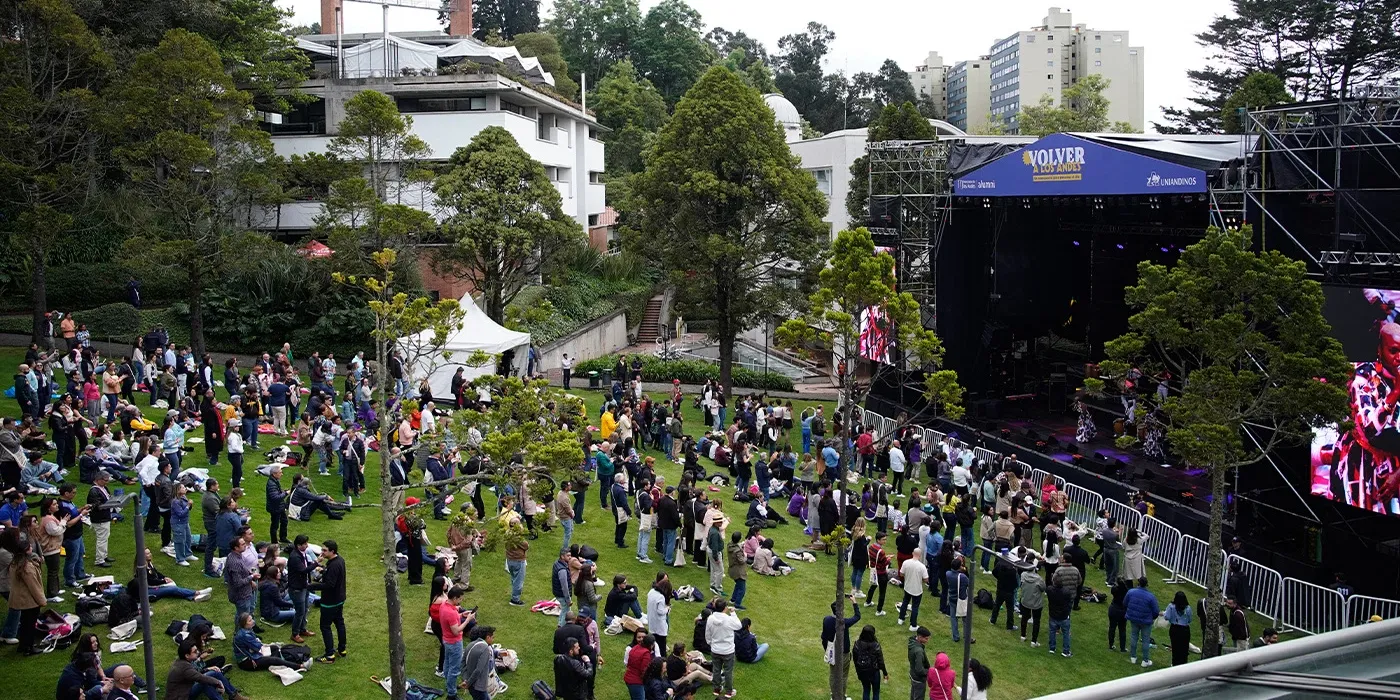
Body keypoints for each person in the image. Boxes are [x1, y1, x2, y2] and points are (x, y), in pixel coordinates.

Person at [310, 539, 347, 663]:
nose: (322, 552)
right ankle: (342, 649)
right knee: (339, 623)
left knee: (325, 626)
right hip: (340, 598)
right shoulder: (339, 560)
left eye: (325, 550)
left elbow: (329, 584)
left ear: (332, 551)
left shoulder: (333, 565)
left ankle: (329, 654)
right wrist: (324, 570)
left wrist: (312, 586)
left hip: (330, 601)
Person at [233, 612, 307, 672]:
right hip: (247, 662)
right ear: (244, 624)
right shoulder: (244, 635)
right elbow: (258, 646)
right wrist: (259, 642)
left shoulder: (246, 630)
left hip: (253, 654)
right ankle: (300, 666)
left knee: (274, 648)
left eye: (252, 619)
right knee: (274, 659)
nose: (253, 621)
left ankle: (275, 663)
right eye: (250, 621)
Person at [822, 596, 862, 700]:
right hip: (843, 653)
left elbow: (823, 637)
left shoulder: (827, 620)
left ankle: (833, 695)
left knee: (833, 674)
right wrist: (854, 603)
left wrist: (826, 649)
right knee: (843, 675)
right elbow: (857, 616)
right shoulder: (844, 622)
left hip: (832, 652)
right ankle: (841, 696)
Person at [706, 599, 742, 699]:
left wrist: (711, 644)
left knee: (716, 670)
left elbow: (707, 634)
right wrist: (733, 613)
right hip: (727, 650)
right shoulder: (729, 619)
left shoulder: (710, 618)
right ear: (725, 608)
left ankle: (716, 689)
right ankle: (729, 691)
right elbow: (739, 626)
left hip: (715, 649)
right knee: (728, 671)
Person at [440, 586, 469, 700]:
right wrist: (467, 620)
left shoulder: (444, 605)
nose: (461, 601)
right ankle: (452, 694)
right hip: (454, 642)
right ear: (455, 598)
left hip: (446, 640)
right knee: (454, 669)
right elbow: (456, 631)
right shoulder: (451, 612)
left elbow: (451, 621)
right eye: (460, 599)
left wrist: (462, 615)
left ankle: (449, 685)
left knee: (447, 664)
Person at [1125, 577, 1160, 667]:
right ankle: (1145, 660)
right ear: (1146, 584)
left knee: (1134, 636)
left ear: (1138, 583)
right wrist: (1151, 617)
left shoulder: (1131, 592)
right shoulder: (1151, 597)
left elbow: (1125, 603)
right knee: (1145, 640)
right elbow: (1156, 611)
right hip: (1146, 621)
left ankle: (1133, 657)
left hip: (1134, 619)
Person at [852, 625, 889, 700]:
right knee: (876, 692)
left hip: (862, 671)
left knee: (866, 690)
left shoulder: (857, 644)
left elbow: (855, 660)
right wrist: (885, 673)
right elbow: (880, 661)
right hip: (874, 672)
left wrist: (858, 671)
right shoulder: (876, 645)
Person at [897, 548, 928, 631]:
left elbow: (901, 573)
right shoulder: (922, 567)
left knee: (905, 602)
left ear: (912, 553)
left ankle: (901, 619)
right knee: (915, 607)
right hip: (917, 590)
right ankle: (913, 625)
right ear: (920, 555)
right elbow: (926, 579)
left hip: (907, 587)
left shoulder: (906, 562)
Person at [1019, 561, 1046, 646]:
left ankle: (1022, 636)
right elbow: (1043, 588)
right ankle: (1033, 641)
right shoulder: (1039, 579)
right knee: (1036, 621)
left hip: (1025, 600)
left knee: (1024, 618)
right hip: (1036, 603)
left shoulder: (1023, 575)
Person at [624, 632, 656, 700]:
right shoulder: (646, 653)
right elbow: (644, 670)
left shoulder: (636, 647)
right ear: (651, 645)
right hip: (636, 681)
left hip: (628, 677)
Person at [1165, 590, 1194, 666]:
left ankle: (1175, 664)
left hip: (1175, 629)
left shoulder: (1171, 606)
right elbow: (1190, 619)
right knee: (1184, 648)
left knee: (1175, 648)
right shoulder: (1188, 608)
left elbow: (1167, 617)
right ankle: (1184, 664)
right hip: (1185, 630)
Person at [1046, 581, 1074, 658]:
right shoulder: (1066, 592)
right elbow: (1069, 602)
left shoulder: (1050, 590)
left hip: (1053, 615)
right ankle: (1066, 651)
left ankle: (1052, 648)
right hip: (1064, 616)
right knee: (1066, 633)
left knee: (1052, 632)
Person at [646, 573, 672, 649]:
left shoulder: (651, 591)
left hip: (651, 619)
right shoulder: (661, 597)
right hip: (659, 624)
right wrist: (667, 609)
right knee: (661, 645)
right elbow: (660, 611)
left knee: (654, 640)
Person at [907, 626, 931, 700]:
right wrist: (929, 671)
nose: (927, 640)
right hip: (919, 679)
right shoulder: (919, 651)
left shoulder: (912, 642)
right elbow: (919, 670)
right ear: (920, 637)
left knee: (913, 695)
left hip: (913, 674)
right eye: (926, 638)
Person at [726, 531, 748, 610]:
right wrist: (745, 555)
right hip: (738, 571)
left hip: (732, 569)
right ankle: (737, 604)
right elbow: (741, 560)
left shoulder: (729, 545)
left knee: (738, 585)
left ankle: (733, 599)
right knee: (742, 589)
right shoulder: (737, 551)